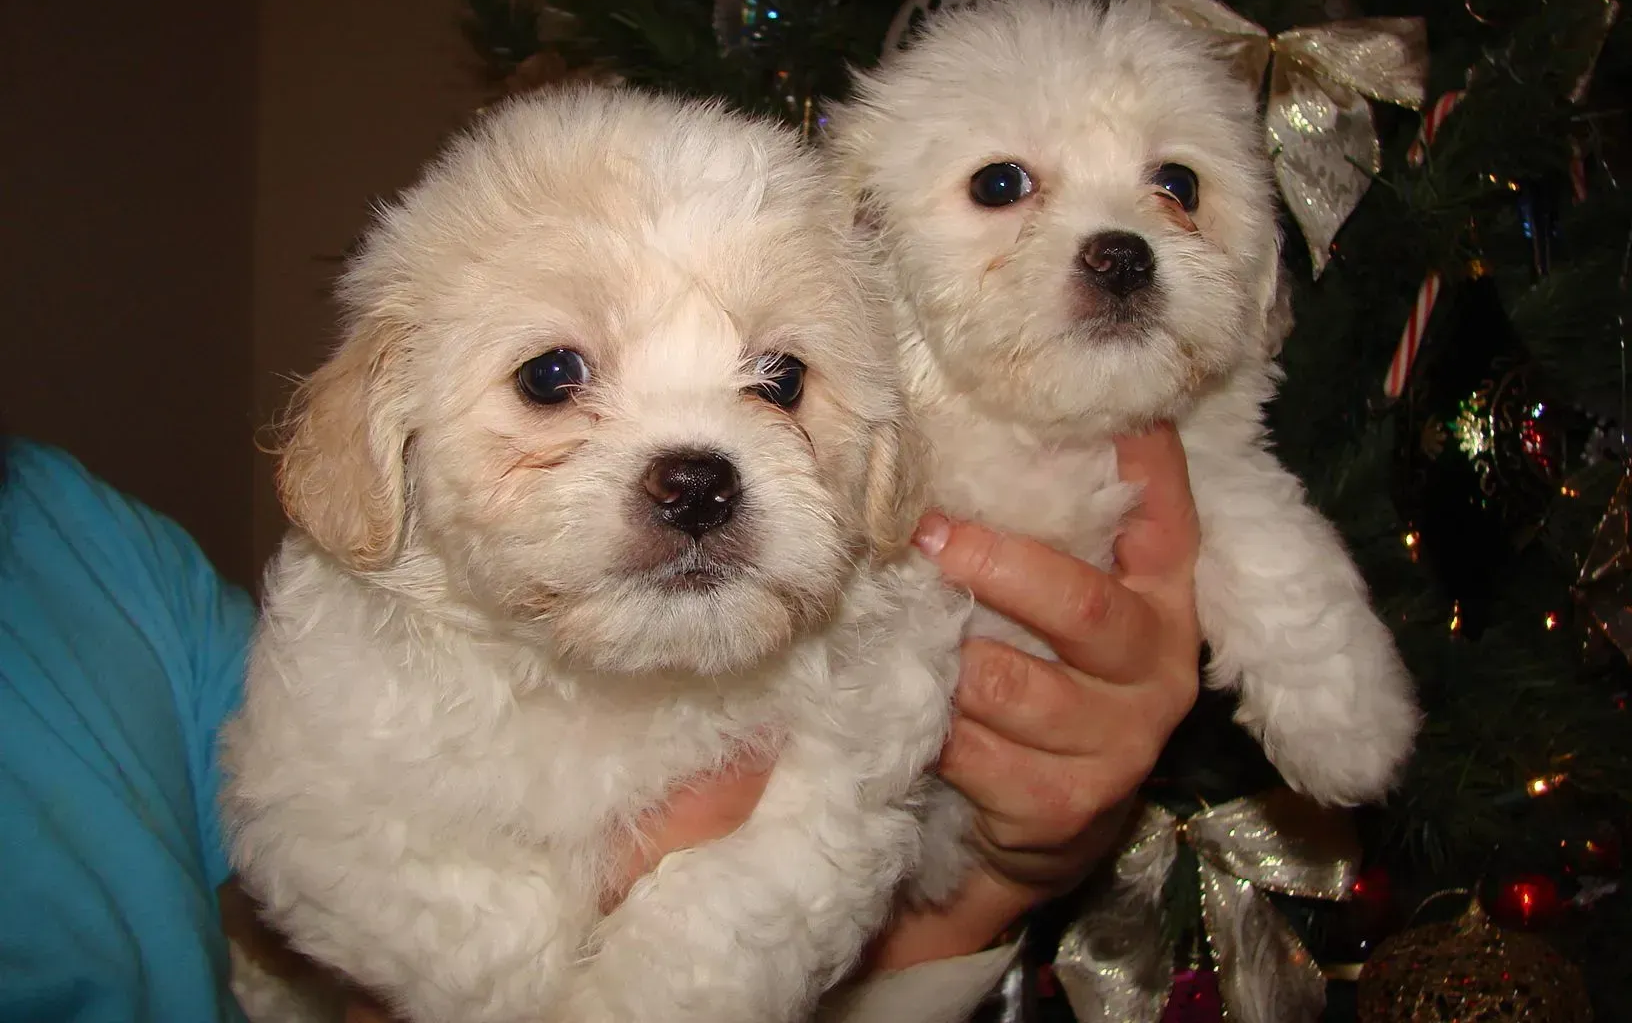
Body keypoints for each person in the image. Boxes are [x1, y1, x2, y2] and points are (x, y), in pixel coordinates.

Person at [0, 428, 1200, 1023]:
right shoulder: (312, 643)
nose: (693, 470)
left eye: (776, 382)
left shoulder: (94, 553)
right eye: (554, 381)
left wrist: (981, 865)